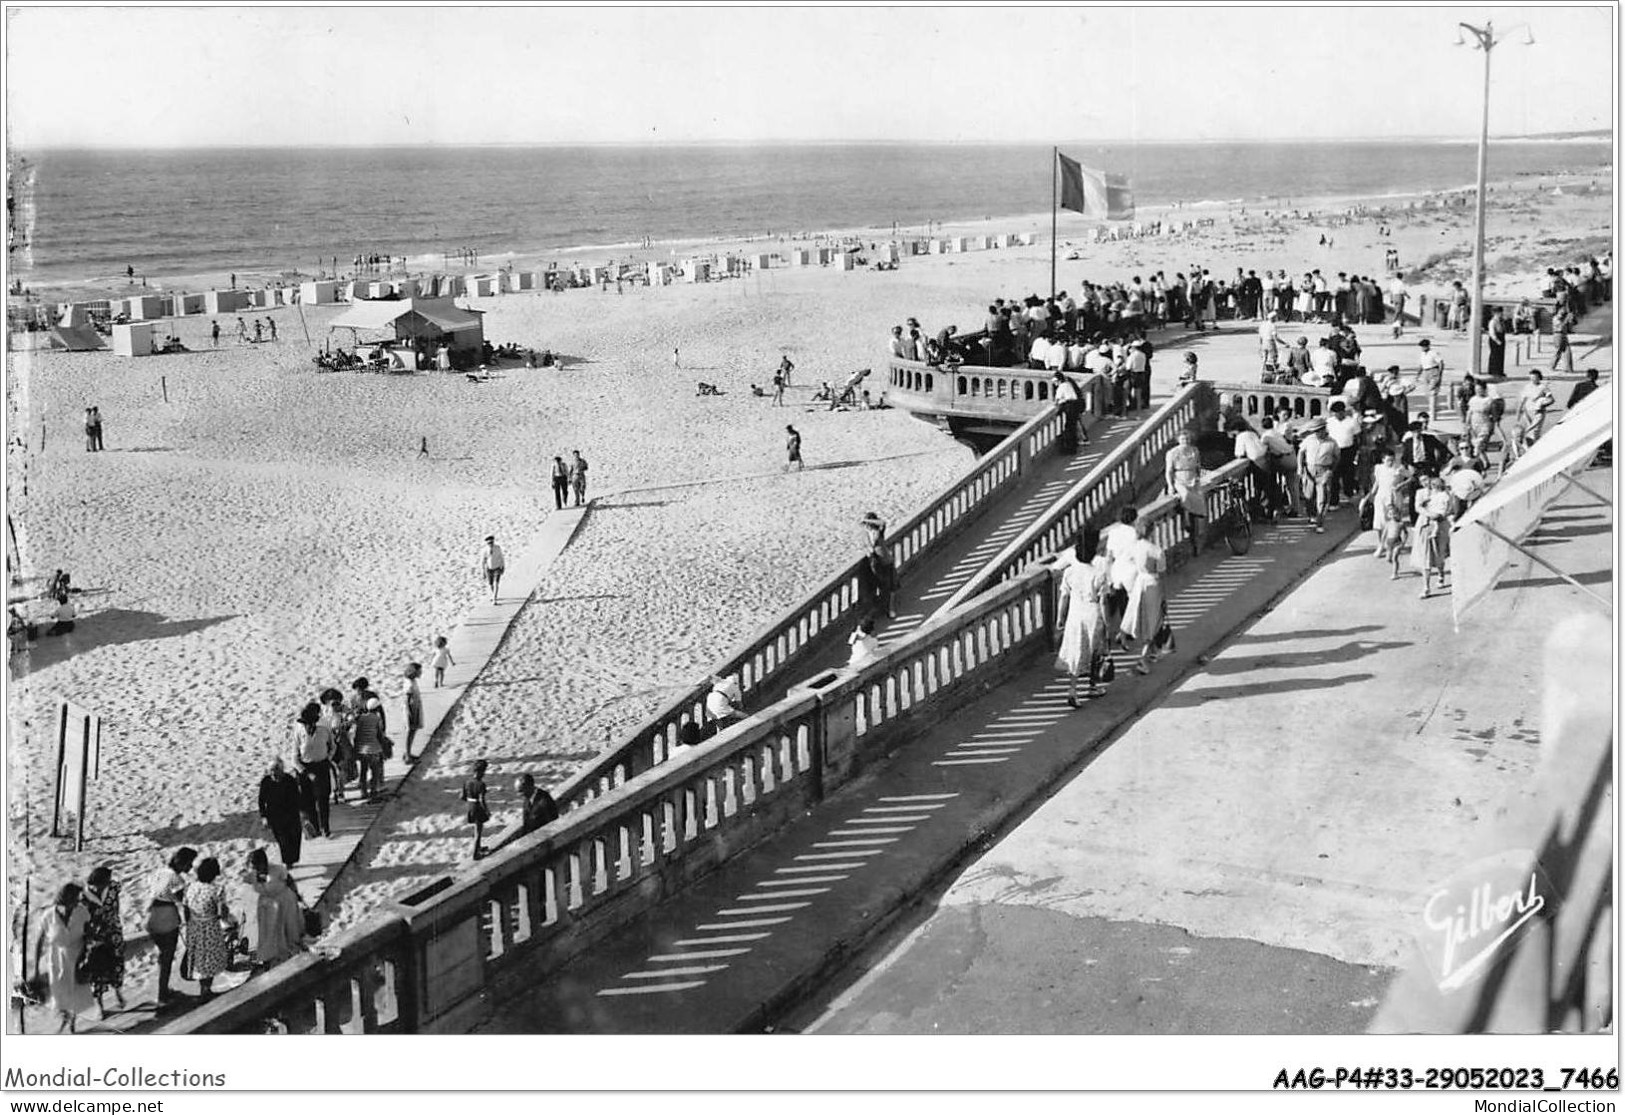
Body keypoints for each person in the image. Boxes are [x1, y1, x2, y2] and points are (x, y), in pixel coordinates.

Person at [1054, 529, 1109, 706]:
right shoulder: (1098, 573)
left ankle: (1072, 689)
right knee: (1095, 651)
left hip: (1075, 614)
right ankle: (1093, 686)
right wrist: (1107, 623)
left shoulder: (1070, 572)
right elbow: (1103, 601)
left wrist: (1059, 618)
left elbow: (1064, 597)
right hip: (1093, 614)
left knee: (1076, 650)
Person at [34, 883, 93, 1032]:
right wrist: (35, 968)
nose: (78, 901)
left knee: (76, 992)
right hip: (56, 960)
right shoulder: (48, 916)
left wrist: (88, 953)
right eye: (75, 898)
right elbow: (39, 942)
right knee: (59, 992)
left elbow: (89, 934)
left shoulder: (82, 912)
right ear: (66, 899)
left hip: (77, 958)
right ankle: (65, 1017)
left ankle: (71, 1022)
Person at [145, 847, 195, 1006]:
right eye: (189, 863)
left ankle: (163, 990)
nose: (191, 867)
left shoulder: (159, 872)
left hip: (151, 917)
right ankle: (162, 995)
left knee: (162, 956)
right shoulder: (177, 880)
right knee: (167, 957)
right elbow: (184, 903)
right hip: (166, 918)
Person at [1118, 517, 1168, 676]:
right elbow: (1162, 571)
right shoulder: (1156, 550)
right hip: (1152, 583)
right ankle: (1144, 659)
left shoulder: (1135, 547)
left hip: (1139, 581)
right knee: (1152, 621)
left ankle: (1126, 637)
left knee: (1135, 613)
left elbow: (1126, 561)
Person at [244, 849, 305, 969]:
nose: (256, 869)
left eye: (257, 866)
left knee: (288, 926)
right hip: (266, 904)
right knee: (268, 930)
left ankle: (290, 950)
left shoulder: (277, 870)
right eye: (254, 867)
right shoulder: (252, 875)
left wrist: (297, 894)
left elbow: (290, 881)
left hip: (284, 900)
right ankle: (268, 954)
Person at [182, 858, 232, 999]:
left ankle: (202, 987)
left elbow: (185, 909)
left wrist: (190, 923)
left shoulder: (190, 887)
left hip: (194, 925)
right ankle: (206, 989)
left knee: (198, 958)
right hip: (209, 926)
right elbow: (223, 913)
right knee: (209, 958)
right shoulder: (217, 890)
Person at [291, 702, 333, 838]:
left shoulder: (324, 728)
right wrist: (304, 772)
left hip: (321, 766)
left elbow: (333, 746)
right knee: (308, 801)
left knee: (323, 798)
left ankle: (325, 827)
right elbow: (294, 757)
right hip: (305, 768)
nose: (307, 726)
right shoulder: (298, 730)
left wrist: (328, 758)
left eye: (309, 723)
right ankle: (315, 827)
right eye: (305, 724)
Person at [1163, 428, 1206, 560]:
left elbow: (1198, 466)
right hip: (1180, 479)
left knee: (1200, 502)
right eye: (1182, 439)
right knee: (1185, 497)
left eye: (1187, 439)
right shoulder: (1172, 453)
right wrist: (1170, 486)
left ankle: (1198, 532)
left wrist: (1199, 477)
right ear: (1178, 440)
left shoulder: (1194, 451)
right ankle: (1187, 522)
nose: (1185, 442)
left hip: (1193, 478)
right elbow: (1169, 471)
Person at [259, 756, 306, 867]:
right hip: (275, 816)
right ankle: (287, 862)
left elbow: (298, 798)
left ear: (281, 770)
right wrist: (264, 817)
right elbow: (261, 801)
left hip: (292, 815)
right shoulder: (266, 782)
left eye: (276, 771)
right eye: (272, 772)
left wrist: (302, 813)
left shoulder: (290, 780)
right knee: (283, 841)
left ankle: (292, 859)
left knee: (295, 839)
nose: (274, 775)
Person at [1413, 474, 1454, 599]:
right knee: (1426, 557)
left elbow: (1447, 510)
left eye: (1428, 480)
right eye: (1423, 481)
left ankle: (1441, 574)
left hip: (1440, 527)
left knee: (1439, 554)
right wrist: (1429, 513)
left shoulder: (1445, 495)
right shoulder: (1422, 494)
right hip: (1425, 526)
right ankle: (1426, 587)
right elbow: (1418, 508)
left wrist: (1438, 515)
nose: (1428, 484)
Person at [1297, 417, 1336, 533]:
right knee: (1308, 495)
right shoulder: (1309, 440)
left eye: (1319, 430)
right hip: (1309, 468)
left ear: (1324, 429)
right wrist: (1300, 467)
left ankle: (1320, 522)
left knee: (1322, 498)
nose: (1317, 433)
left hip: (1324, 470)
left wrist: (1331, 471)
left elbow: (1337, 457)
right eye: (1315, 431)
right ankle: (1311, 516)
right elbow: (1301, 452)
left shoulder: (1332, 442)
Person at [352, 694, 387, 802]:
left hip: (362, 750)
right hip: (374, 749)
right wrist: (384, 747)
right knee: (375, 772)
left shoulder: (361, 719)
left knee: (363, 771)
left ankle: (363, 792)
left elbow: (357, 735)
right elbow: (379, 735)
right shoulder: (377, 719)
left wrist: (357, 749)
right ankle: (373, 791)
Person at [1515, 370, 1556, 451]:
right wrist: (1518, 417)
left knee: (1533, 432)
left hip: (1538, 413)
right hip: (1527, 413)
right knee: (1530, 433)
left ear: (1539, 378)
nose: (1533, 379)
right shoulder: (1527, 387)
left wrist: (1542, 404)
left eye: (1535, 377)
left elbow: (1551, 400)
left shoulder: (1543, 387)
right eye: (1531, 377)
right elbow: (1521, 402)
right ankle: (1536, 449)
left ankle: (1532, 450)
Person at [462, 759, 491, 861]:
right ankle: (475, 854)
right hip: (478, 807)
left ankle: (478, 847)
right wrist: (487, 810)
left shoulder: (467, 782)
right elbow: (482, 799)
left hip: (470, 806)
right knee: (478, 831)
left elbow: (462, 797)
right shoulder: (481, 784)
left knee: (475, 828)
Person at [866, 535, 899, 619]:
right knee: (887, 587)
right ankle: (888, 608)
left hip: (887, 563)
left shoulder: (877, 535)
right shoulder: (868, 536)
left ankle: (890, 608)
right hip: (881, 564)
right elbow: (870, 550)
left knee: (891, 586)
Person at [479, 534, 505, 604]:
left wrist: (503, 567)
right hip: (489, 568)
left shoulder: (497, 548)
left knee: (496, 583)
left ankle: (494, 599)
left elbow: (501, 557)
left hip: (497, 567)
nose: (490, 544)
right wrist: (483, 572)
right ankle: (494, 594)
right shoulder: (484, 550)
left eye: (491, 543)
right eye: (489, 543)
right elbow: (483, 561)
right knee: (490, 584)